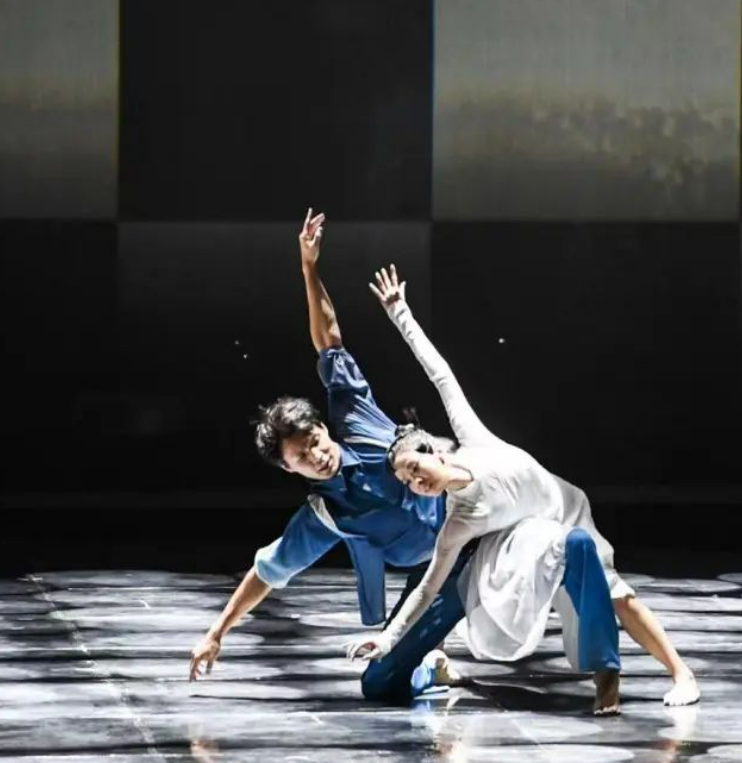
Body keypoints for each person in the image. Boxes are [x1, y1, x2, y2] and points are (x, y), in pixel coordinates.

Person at [347, 266, 701, 712]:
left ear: (434, 451)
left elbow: (440, 375)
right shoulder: (457, 523)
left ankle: (673, 673)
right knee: (551, 558)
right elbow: (426, 589)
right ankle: (596, 672)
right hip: (514, 537)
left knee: (618, 595)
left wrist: (400, 313)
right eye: (408, 482)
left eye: (415, 468)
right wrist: (386, 639)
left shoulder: (474, 440)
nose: (417, 482)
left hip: (565, 508)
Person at [188, 213, 453, 684]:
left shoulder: (355, 418)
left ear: (324, 429)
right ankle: (431, 656)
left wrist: (309, 269)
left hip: (469, 526)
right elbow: (267, 571)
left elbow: (329, 340)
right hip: (430, 575)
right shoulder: (326, 515)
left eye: (314, 440)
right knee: (381, 684)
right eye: (302, 456)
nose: (316, 454)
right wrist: (216, 632)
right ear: (289, 469)